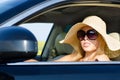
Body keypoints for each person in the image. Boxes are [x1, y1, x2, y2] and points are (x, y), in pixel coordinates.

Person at [55, 15, 120, 61]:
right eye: (81, 34)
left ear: (101, 38)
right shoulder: (75, 57)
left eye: (91, 34)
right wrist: (75, 56)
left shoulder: (102, 61)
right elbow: (48, 70)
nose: (85, 38)